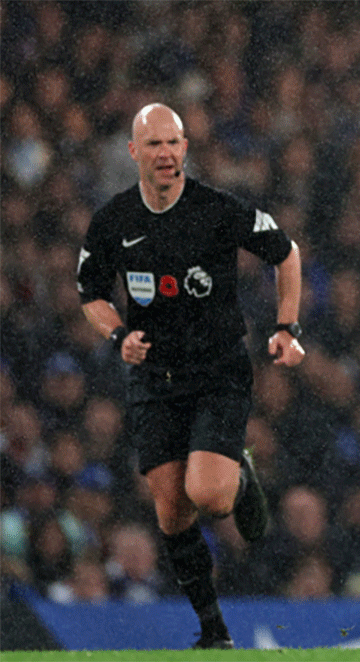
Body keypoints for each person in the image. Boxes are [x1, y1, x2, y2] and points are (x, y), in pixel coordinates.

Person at [77, 103, 305, 649]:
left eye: (173, 143)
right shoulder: (114, 220)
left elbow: (286, 252)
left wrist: (286, 326)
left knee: (210, 497)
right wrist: (117, 335)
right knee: (171, 508)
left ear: (185, 148)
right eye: (153, 144)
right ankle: (214, 632)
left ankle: (240, 478)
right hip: (154, 378)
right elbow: (90, 293)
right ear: (134, 152)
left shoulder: (216, 209)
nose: (165, 153)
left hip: (218, 370)